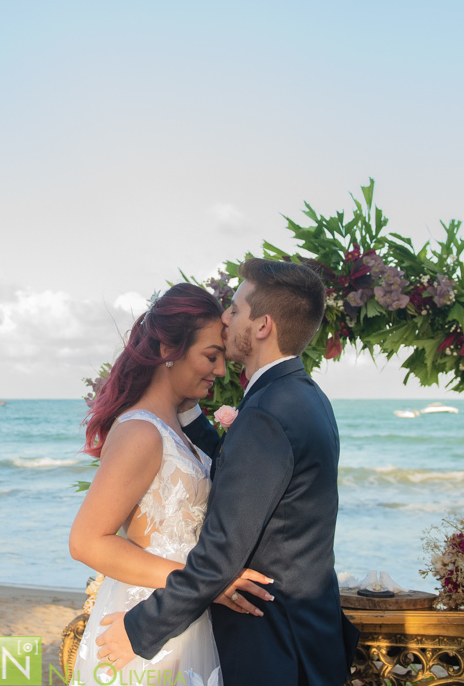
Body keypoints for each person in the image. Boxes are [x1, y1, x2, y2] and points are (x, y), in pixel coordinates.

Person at [95, 258, 359, 686]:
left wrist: (139, 630)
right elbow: (252, 480)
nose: (226, 316)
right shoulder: (304, 398)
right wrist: (187, 416)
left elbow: (221, 551)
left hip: (275, 644)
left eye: (235, 309)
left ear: (262, 326)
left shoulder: (267, 413)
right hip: (308, 634)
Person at [69, 283, 275, 686]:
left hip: (183, 612)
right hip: (147, 619)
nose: (220, 371)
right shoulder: (141, 433)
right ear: (168, 351)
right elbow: (87, 541)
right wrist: (202, 583)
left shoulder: (175, 429)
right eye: (211, 356)